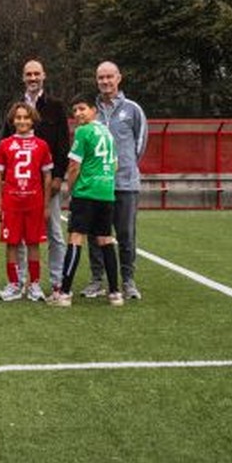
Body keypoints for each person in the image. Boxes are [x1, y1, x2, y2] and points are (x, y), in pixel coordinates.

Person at [1, 59, 70, 292]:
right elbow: (6, 141)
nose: (32, 78)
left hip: (47, 182)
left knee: (54, 233)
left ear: (44, 76)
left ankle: (57, 280)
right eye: (28, 74)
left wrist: (58, 176)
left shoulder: (55, 105)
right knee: (19, 237)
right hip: (20, 186)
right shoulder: (15, 106)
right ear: (23, 77)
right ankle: (19, 281)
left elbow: (63, 143)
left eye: (36, 74)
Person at [82, 61, 149, 301]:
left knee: (126, 234)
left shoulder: (133, 110)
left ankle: (128, 280)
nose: (105, 81)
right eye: (101, 77)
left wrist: (125, 167)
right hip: (97, 184)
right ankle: (97, 280)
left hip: (124, 184)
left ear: (119, 78)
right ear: (96, 80)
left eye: (109, 77)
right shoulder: (91, 112)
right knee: (95, 234)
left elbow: (140, 143)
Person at [50, 94, 123, 308]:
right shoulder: (107, 132)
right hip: (106, 193)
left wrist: (71, 189)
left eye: (82, 108)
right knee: (105, 239)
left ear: (94, 110)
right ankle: (115, 293)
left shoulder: (83, 131)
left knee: (75, 237)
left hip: (86, 192)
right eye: (75, 110)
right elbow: (115, 165)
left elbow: (74, 166)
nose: (78, 113)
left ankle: (64, 294)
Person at [0, 102, 54, 302]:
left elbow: (47, 176)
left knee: (33, 243)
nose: (22, 121)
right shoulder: (5, 144)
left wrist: (46, 205)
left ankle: (34, 284)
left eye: (26, 117)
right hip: (11, 202)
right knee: (11, 243)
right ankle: (14, 284)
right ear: (13, 120)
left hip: (34, 202)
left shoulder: (41, 145)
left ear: (32, 120)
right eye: (18, 117)